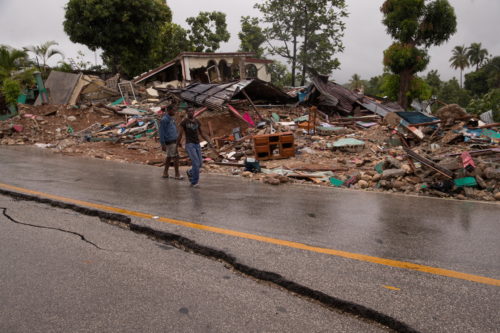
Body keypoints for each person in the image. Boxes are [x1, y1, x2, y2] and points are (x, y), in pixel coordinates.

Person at [177, 108, 212, 187]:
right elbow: (180, 134)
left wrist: (209, 141)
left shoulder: (197, 121)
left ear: (194, 112)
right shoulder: (184, 122)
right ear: (187, 112)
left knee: (200, 164)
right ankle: (194, 182)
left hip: (197, 144)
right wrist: (177, 144)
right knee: (195, 163)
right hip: (190, 144)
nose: (191, 112)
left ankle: (190, 172)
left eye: (192, 111)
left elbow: (201, 132)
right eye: (189, 111)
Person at [159, 105, 183, 180]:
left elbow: (173, 130)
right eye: (173, 110)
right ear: (169, 110)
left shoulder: (171, 119)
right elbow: (161, 132)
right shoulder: (164, 120)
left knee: (169, 157)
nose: (174, 112)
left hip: (173, 140)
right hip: (170, 141)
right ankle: (177, 174)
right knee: (176, 157)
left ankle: (165, 173)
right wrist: (162, 143)